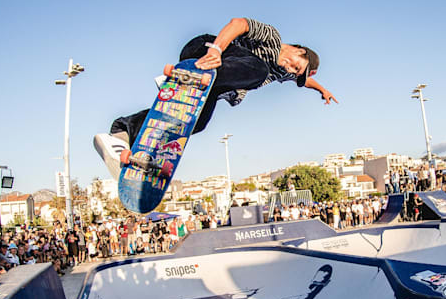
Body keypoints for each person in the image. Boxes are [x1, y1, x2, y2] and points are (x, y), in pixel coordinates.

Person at [96, 17, 337, 179]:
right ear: (300, 51)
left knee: (197, 123)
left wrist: (322, 90)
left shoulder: (281, 72)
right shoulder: (272, 38)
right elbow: (239, 23)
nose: (291, 69)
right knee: (258, 70)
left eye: (294, 72)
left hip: (209, 83)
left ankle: (121, 135)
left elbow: (305, 80)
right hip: (205, 48)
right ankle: (189, 75)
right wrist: (217, 50)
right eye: (296, 65)